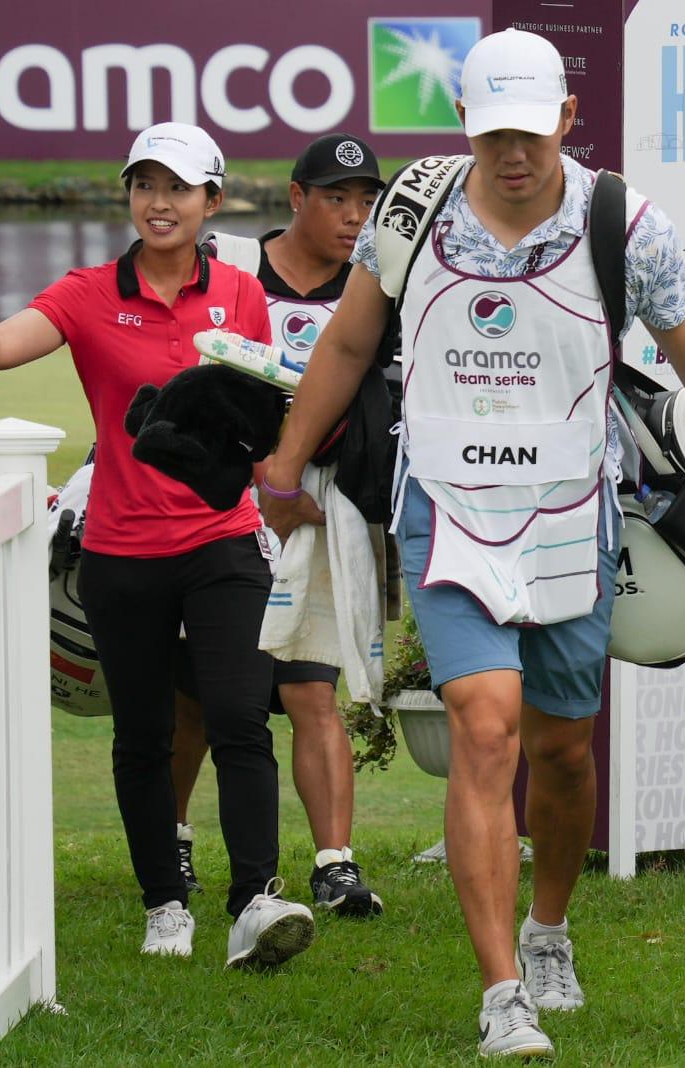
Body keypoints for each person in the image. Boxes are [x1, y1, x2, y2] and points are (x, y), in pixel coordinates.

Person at [258, 29, 685, 1058]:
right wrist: (284, 464)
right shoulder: (414, 209)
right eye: (492, 134)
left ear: (567, 118)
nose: (513, 154)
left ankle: (549, 930)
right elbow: (348, 339)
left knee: (562, 749)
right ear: (464, 125)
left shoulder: (624, 224)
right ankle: (501, 996)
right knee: (485, 728)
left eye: (531, 131)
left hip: (573, 513)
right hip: (446, 506)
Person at [0, 122, 317, 969]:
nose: (158, 202)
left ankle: (254, 902)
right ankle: (165, 904)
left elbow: (257, 413)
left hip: (221, 539)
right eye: (144, 185)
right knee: (142, 735)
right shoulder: (88, 292)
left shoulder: (240, 293)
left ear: (212, 201)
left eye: (177, 188)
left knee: (241, 717)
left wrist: (271, 477)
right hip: (122, 549)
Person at [171, 133, 387, 917]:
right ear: (298, 198)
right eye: (337, 199)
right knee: (198, 696)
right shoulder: (229, 267)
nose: (354, 217)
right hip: (226, 510)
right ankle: (172, 839)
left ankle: (335, 864)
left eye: (366, 203)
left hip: (314, 517)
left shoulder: (375, 291)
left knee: (311, 690)